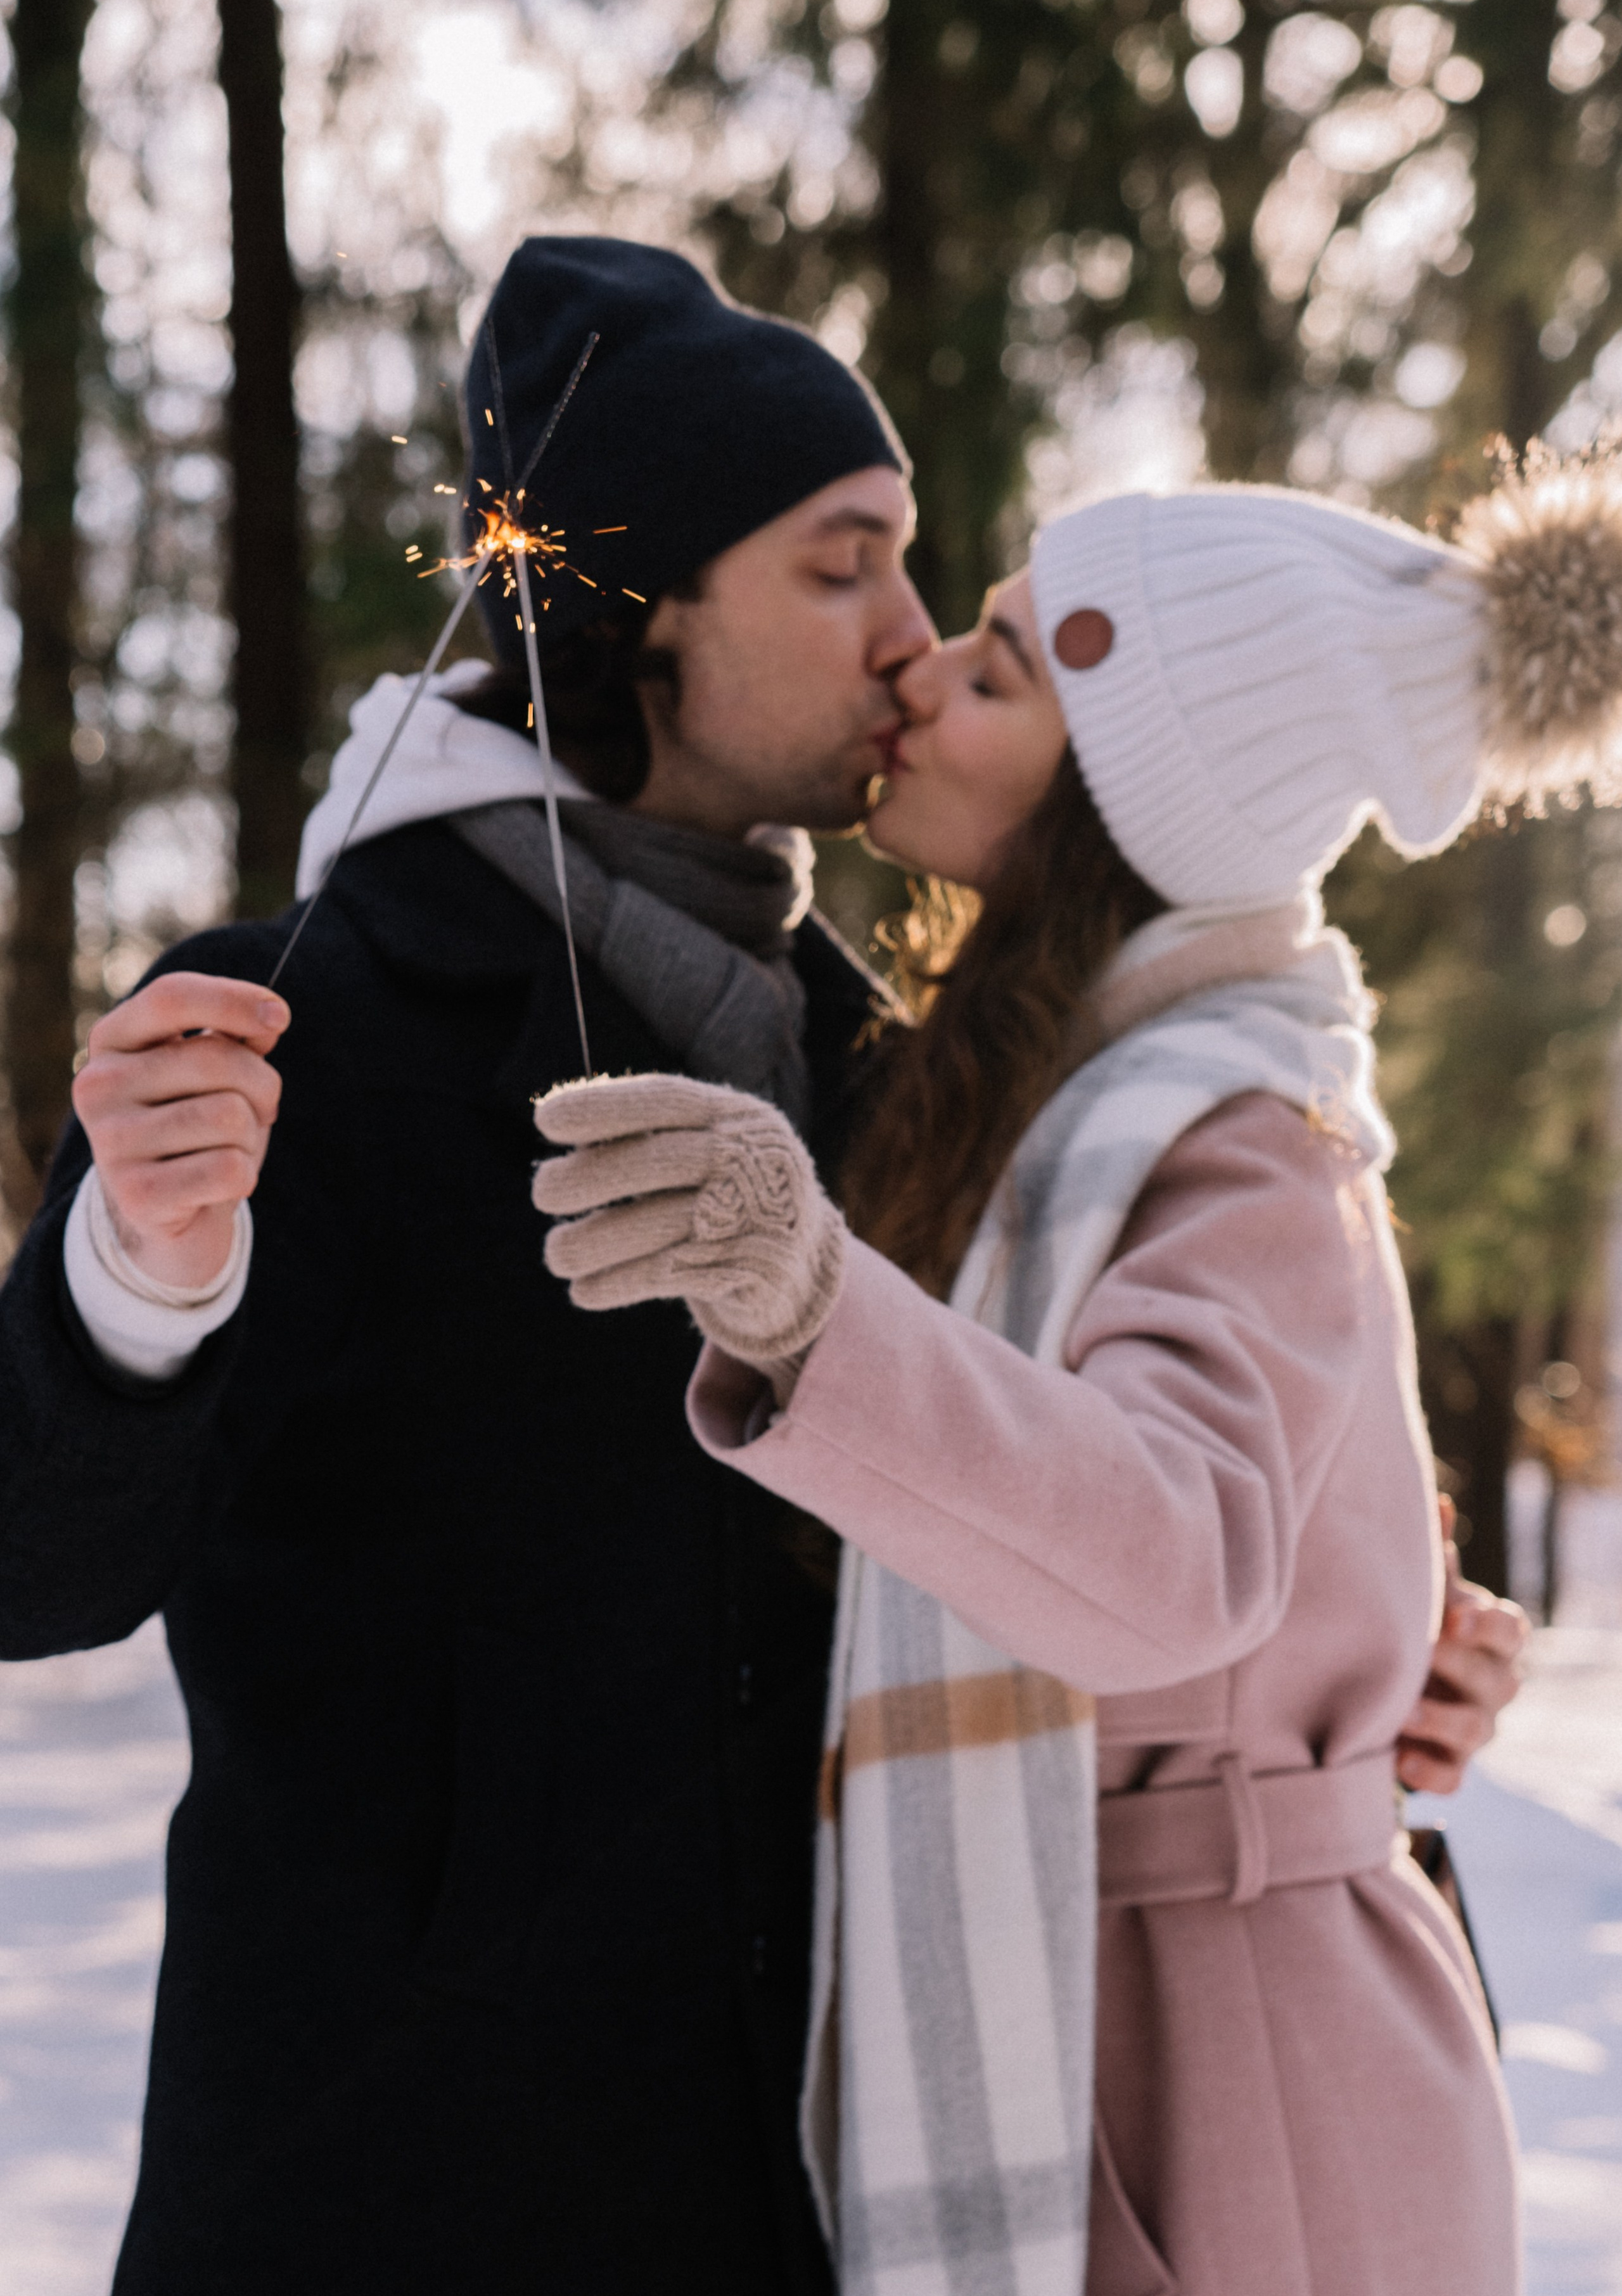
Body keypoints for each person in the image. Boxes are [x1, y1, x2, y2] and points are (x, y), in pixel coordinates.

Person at [0, 239, 1518, 2292]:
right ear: (639, 612)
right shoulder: (295, 1030)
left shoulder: (890, 1071)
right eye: (844, 566)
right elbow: (36, 1561)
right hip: (393, 2203)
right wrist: (136, 1273)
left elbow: (1092, 1486)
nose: (912, 640)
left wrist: (1358, 1632)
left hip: (808, 2199)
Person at [528, 466, 1604, 2294]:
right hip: (1128, 2001)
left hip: (1239, 2072)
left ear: (1128, 801)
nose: (922, 675)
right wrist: (1399, 1616)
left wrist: (813, 1307)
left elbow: (1180, 1555)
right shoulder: (1051, 1096)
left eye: (1004, 671)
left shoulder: (1240, 1132)